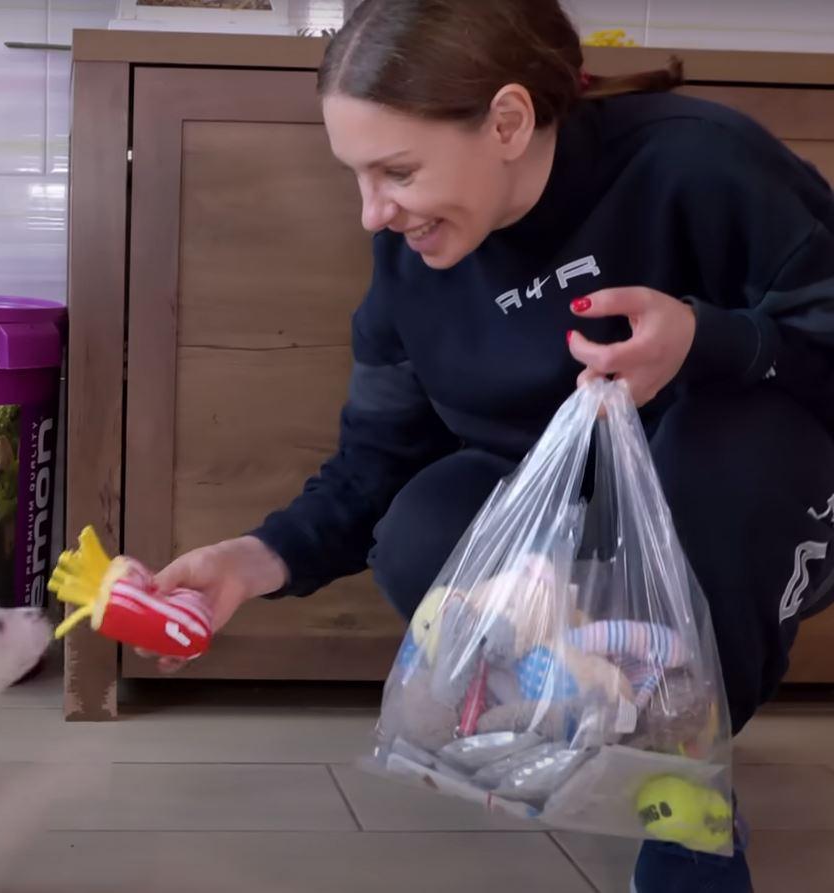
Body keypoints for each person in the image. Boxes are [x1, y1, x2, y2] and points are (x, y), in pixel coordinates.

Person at [138, 1, 834, 889]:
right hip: (583, 546)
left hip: (766, 503)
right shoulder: (409, 274)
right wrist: (252, 559)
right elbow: (373, 464)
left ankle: (683, 790)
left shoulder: (695, 161)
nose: (371, 213)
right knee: (424, 524)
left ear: (507, 121)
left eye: (396, 171)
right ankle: (589, 721)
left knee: (720, 444)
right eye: (355, 174)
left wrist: (708, 341)